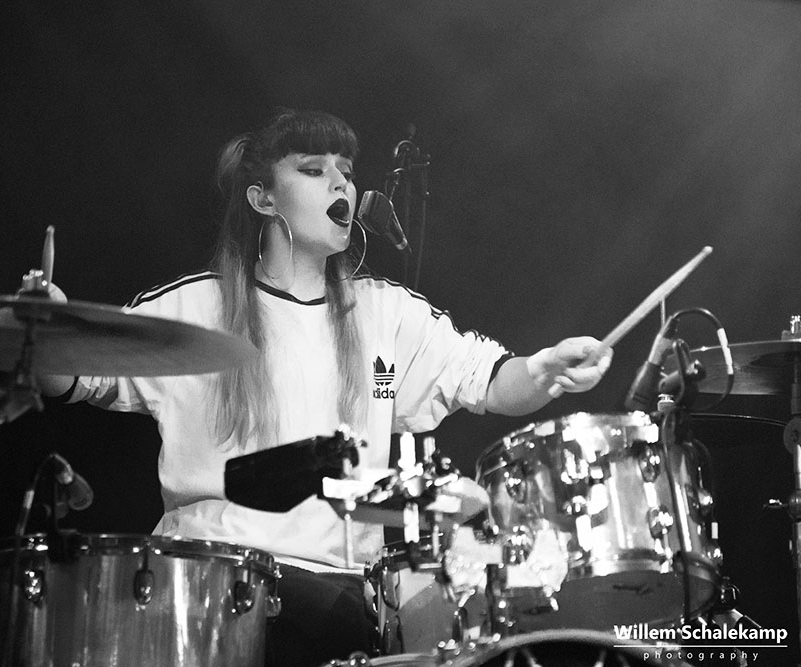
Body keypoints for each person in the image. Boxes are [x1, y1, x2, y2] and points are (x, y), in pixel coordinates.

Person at [38, 109, 612, 667]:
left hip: (341, 598)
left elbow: (489, 380)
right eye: (313, 169)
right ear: (263, 200)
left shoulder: (386, 312)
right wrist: (44, 332)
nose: (341, 182)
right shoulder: (195, 305)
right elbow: (77, 378)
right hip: (203, 583)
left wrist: (543, 370)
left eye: (346, 170)